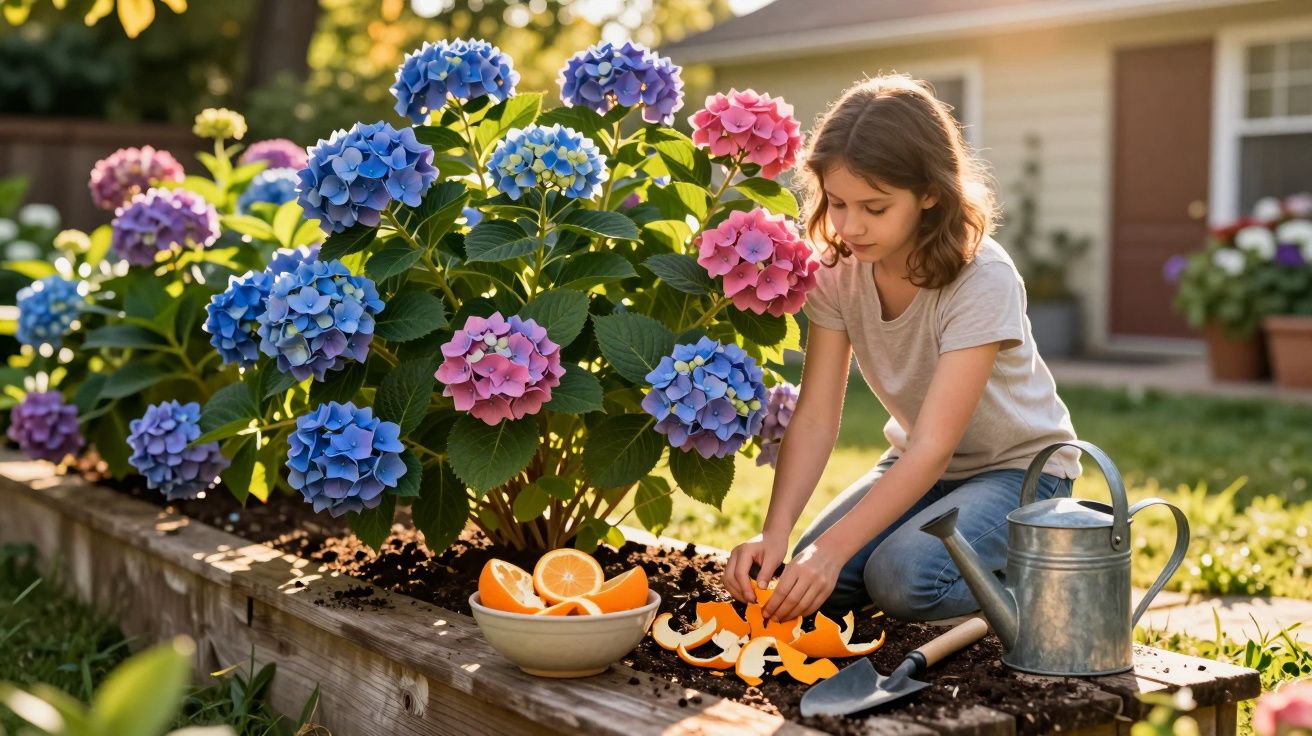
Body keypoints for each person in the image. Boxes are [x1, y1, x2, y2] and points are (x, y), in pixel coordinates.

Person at [722, 74, 1082, 624]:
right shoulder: (838, 270)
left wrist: (835, 550)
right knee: (812, 580)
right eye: (838, 203)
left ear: (930, 193)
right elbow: (815, 416)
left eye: (875, 207)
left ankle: (1058, 588)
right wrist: (776, 533)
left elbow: (935, 445)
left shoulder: (982, 278)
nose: (851, 225)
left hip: (1020, 473)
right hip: (918, 465)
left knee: (901, 578)